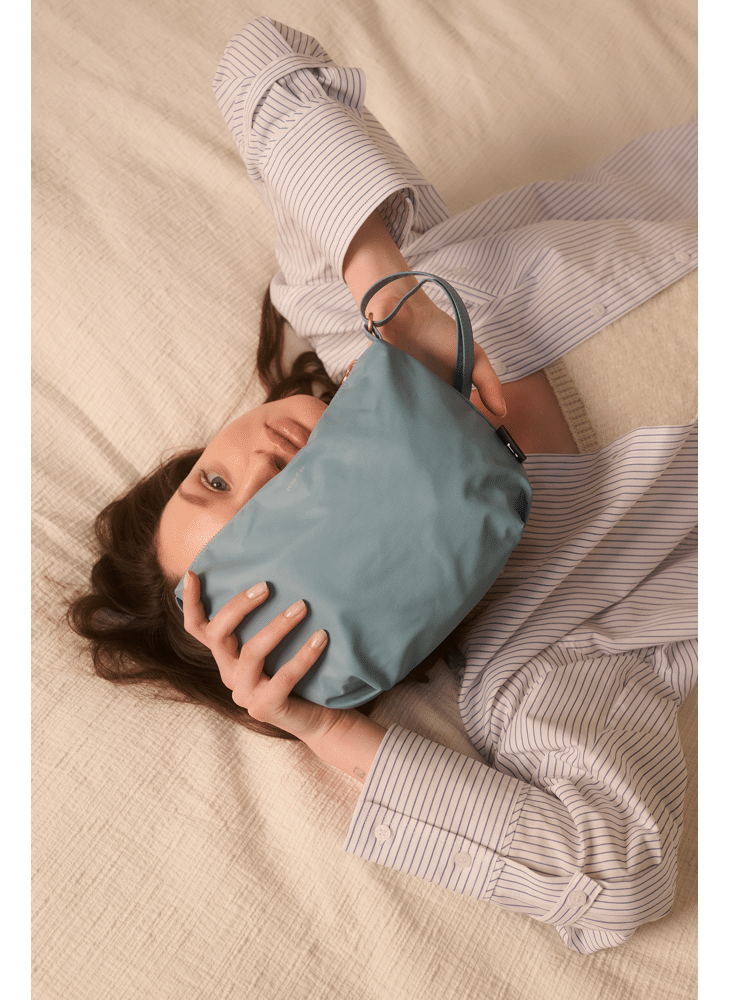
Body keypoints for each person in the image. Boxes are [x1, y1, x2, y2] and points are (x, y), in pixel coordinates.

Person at [68, 18, 697, 954]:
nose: (262, 468)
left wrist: (386, 287)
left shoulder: (352, 317)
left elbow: (262, 66)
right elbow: (614, 880)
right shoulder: (538, 661)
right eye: (268, 527)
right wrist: (324, 729)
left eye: (213, 479)